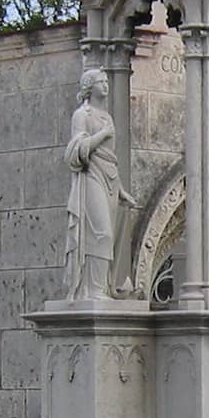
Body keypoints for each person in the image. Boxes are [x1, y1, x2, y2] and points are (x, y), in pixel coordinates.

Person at [64, 67, 141, 299]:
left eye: (107, 81)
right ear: (89, 86)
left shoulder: (107, 117)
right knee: (101, 233)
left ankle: (104, 287)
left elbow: (110, 159)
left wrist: (121, 191)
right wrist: (103, 135)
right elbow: (76, 151)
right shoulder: (83, 115)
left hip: (109, 179)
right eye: (101, 81)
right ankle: (92, 289)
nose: (106, 85)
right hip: (90, 177)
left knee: (109, 236)